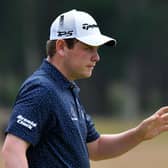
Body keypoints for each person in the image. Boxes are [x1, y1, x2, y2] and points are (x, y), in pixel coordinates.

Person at [1, 9, 168, 168]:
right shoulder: (42, 89)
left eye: (96, 49)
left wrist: (139, 134)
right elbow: (12, 150)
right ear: (61, 47)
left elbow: (96, 147)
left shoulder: (65, 89)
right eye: (88, 48)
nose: (96, 57)